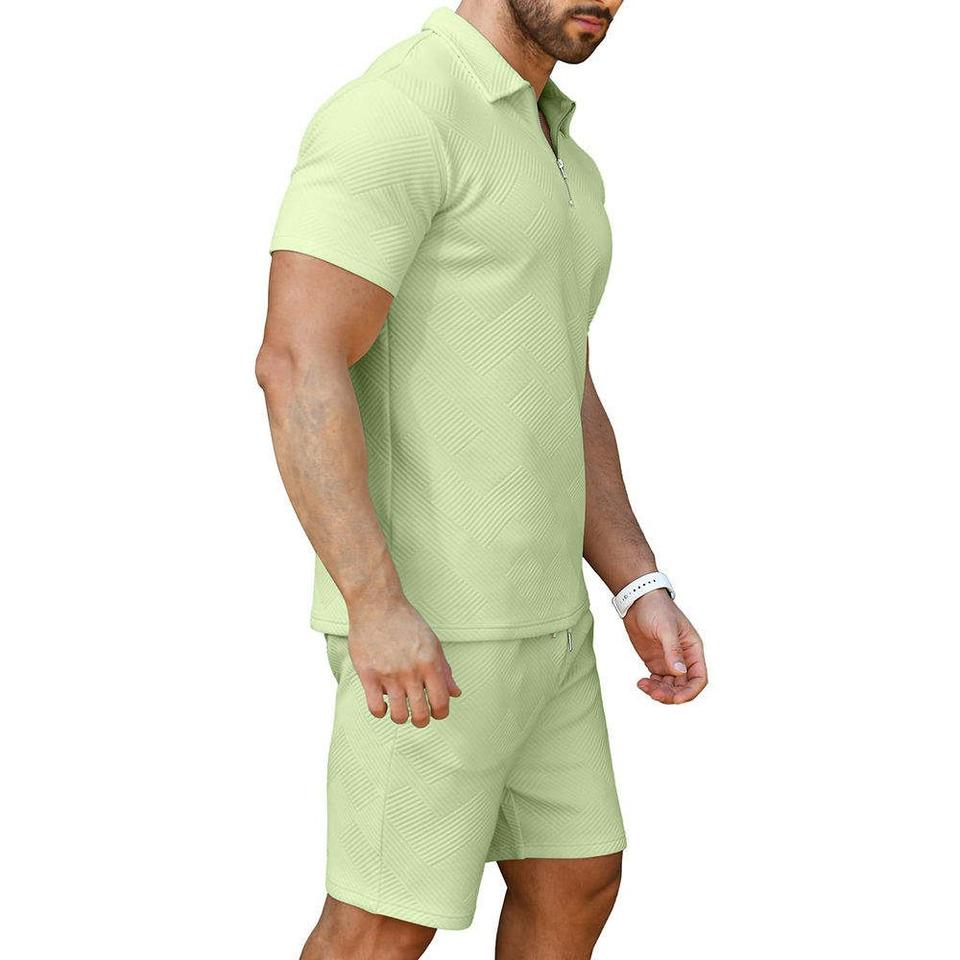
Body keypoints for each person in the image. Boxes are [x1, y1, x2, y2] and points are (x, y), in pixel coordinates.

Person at [256, 2, 708, 957]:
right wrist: (374, 603)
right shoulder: (399, 112)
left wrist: (637, 582)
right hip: (435, 622)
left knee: (577, 877)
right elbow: (297, 362)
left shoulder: (560, 150)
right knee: (381, 923)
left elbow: (560, 380)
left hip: (549, 618)